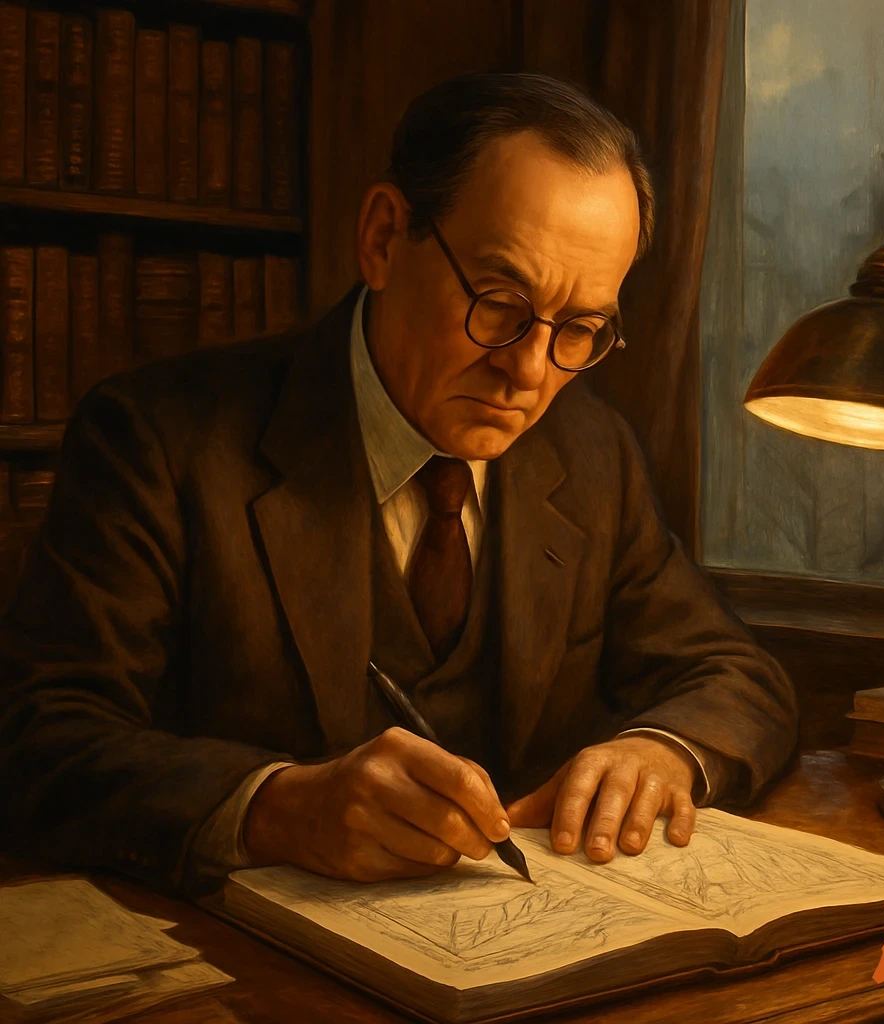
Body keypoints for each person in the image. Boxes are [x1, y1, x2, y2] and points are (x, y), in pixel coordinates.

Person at [0, 73, 797, 895]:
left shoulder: (593, 455)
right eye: (499, 302)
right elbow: (36, 739)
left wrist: (660, 751)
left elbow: (738, 675)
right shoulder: (159, 440)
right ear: (384, 238)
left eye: (582, 328)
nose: (527, 370)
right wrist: (277, 805)